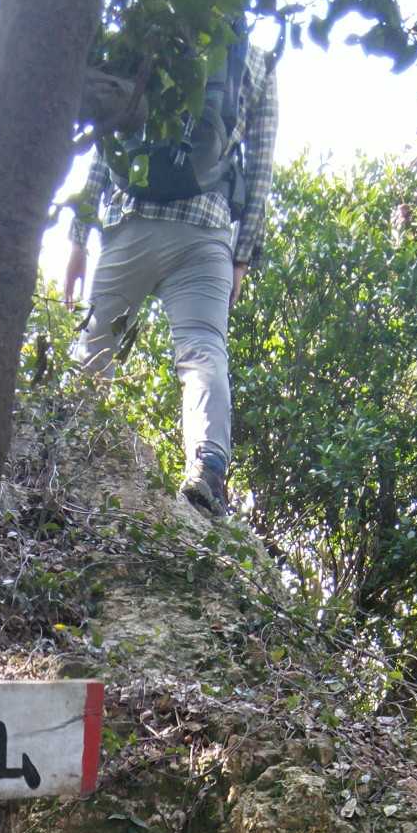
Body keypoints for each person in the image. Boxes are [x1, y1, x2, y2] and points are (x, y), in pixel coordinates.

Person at [64, 34, 278, 518]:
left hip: (132, 219)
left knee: (97, 342)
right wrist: (242, 256)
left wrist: (78, 236)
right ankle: (208, 467)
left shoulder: (160, 29)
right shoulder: (255, 59)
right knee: (203, 349)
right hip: (206, 230)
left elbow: (111, 135)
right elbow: (261, 167)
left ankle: (72, 446)